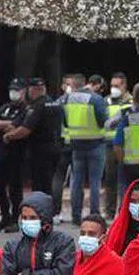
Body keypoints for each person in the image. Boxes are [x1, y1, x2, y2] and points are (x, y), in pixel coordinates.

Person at [60, 74, 110, 226]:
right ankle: (94, 214)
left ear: (73, 85)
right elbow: (103, 121)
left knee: (77, 182)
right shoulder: (96, 99)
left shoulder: (66, 99)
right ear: (85, 83)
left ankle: (76, 216)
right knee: (95, 182)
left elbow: (65, 122)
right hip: (96, 143)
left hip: (76, 145)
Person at [4, 77, 59, 197]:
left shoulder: (37, 106)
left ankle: (41, 210)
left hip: (41, 150)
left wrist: (9, 136)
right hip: (55, 147)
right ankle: (53, 210)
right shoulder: (55, 103)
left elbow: (25, 130)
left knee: (40, 183)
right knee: (51, 181)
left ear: (33, 90)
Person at [0, 79, 26, 233]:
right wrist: (7, 124)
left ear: (23, 91)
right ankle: (5, 216)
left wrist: (3, 124)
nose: (14, 93)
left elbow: (19, 125)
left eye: (17, 90)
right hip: (1, 152)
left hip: (17, 153)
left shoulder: (26, 108)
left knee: (14, 188)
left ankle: (14, 220)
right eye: (12, 90)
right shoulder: (6, 107)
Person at [50, 75, 82, 222]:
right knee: (70, 179)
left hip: (65, 144)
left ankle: (57, 213)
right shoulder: (82, 102)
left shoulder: (57, 102)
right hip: (72, 144)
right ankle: (73, 214)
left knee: (61, 179)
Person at [102, 71, 131, 219]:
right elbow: (103, 122)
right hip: (108, 145)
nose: (113, 88)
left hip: (126, 146)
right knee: (110, 179)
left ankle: (123, 212)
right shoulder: (105, 101)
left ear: (124, 85)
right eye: (112, 85)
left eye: (117, 86)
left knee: (124, 181)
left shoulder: (131, 102)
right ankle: (109, 212)